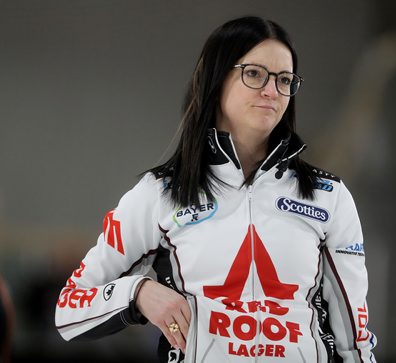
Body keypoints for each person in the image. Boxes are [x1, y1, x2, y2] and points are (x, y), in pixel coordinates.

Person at [55, 16, 377, 362]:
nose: (272, 91)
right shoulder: (160, 193)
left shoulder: (328, 196)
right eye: (254, 74)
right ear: (216, 78)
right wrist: (139, 294)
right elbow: (70, 307)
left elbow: (354, 343)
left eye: (285, 80)